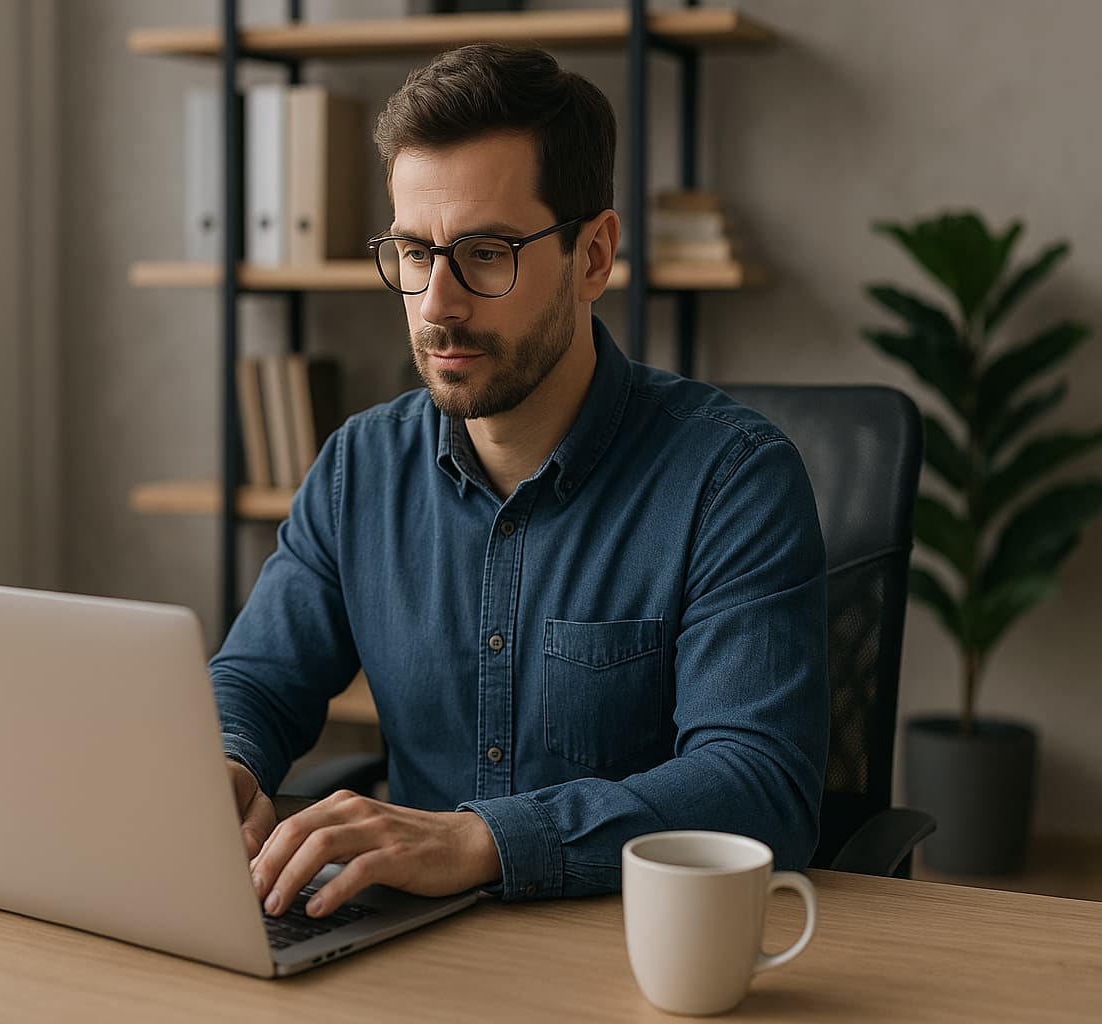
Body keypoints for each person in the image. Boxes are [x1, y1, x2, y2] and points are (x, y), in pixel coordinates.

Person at [209, 43, 828, 921]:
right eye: (414, 253)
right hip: (410, 946)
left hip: (636, 950)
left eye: (486, 253)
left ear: (593, 256)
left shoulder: (732, 480)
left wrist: (482, 841)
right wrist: (227, 763)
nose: (437, 304)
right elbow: (260, 682)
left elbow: (759, 784)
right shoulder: (359, 469)